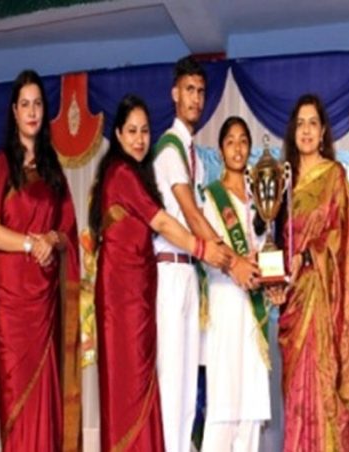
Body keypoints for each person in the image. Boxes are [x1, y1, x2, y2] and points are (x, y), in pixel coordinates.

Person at [89, 94, 228, 451]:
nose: (139, 139)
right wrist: (202, 249)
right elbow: (163, 221)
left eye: (145, 131)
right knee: (130, 385)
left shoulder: (136, 174)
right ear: (117, 135)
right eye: (131, 131)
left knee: (142, 384)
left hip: (139, 290)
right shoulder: (121, 174)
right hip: (122, 297)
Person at [0, 69, 81, 451]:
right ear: (14, 111)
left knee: (46, 395)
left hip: (44, 300)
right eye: (25, 104)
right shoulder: (2, 163)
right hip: (11, 302)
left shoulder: (54, 168)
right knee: (15, 396)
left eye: (38, 103)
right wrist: (29, 243)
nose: (32, 111)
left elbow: (67, 230)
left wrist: (51, 240)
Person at [275, 94, 349, 451]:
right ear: (293, 132)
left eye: (312, 123)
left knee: (320, 389)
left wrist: (308, 255)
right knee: (295, 397)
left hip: (320, 297)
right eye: (300, 123)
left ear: (322, 133)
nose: (306, 130)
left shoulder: (333, 176)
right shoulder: (281, 179)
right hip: (291, 300)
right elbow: (275, 240)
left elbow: (340, 238)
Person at [152, 55, 232, 452]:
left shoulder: (195, 154)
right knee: (171, 382)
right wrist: (229, 259)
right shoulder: (169, 148)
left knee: (187, 383)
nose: (196, 99)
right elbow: (189, 212)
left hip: (189, 273)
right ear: (174, 93)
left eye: (201, 92)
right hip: (169, 271)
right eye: (189, 90)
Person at [201, 117, 271, 452]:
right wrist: (235, 264)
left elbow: (267, 245)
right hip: (224, 301)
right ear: (220, 150)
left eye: (244, 141)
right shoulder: (210, 198)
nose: (238, 148)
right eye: (230, 141)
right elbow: (207, 251)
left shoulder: (260, 198)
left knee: (251, 409)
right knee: (224, 404)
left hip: (253, 310)